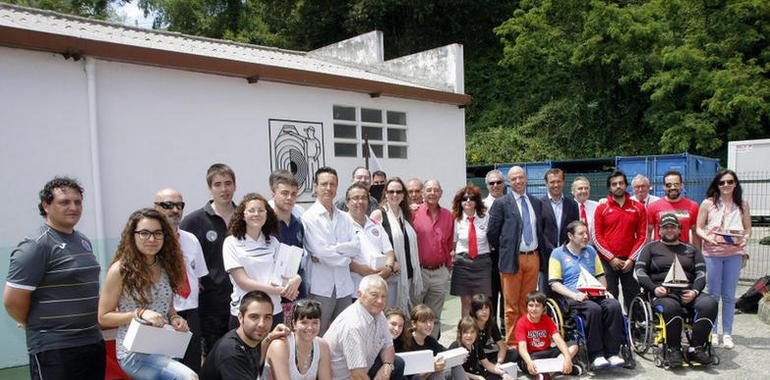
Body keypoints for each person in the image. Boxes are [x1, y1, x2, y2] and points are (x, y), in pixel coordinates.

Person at [4, 177, 105, 380]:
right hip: (55, 349)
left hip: (91, 342)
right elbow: (12, 301)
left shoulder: (83, 241)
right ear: (46, 206)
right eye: (64, 202)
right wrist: (35, 322)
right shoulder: (36, 246)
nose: (73, 207)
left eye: (77, 202)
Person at [98, 208, 196, 379]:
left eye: (158, 233)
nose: (151, 239)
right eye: (144, 233)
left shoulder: (167, 266)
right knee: (188, 377)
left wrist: (175, 319)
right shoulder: (120, 270)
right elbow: (104, 317)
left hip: (163, 348)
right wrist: (140, 313)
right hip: (133, 353)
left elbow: (168, 307)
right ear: (132, 235)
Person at [636, 214, 718, 366]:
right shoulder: (650, 248)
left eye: (673, 227)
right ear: (659, 230)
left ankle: (696, 348)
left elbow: (701, 274)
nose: (669, 230)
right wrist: (654, 289)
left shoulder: (691, 249)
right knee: (671, 307)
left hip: (689, 292)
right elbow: (639, 272)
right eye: (665, 227)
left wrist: (694, 292)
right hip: (663, 293)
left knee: (710, 304)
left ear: (679, 229)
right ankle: (674, 349)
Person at [548, 220, 625, 368]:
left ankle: (612, 353)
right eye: (581, 234)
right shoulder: (557, 254)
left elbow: (601, 276)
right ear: (570, 236)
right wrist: (574, 295)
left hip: (595, 292)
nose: (585, 237)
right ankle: (596, 354)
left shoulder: (591, 251)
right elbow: (554, 284)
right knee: (593, 309)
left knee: (614, 305)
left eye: (586, 233)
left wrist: (605, 291)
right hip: (574, 296)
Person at [180, 163, 237, 354]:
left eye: (228, 183)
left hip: (242, 301)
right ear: (210, 188)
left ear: (235, 186)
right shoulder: (194, 221)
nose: (224, 189)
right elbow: (179, 254)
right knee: (214, 356)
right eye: (218, 184)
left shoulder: (245, 217)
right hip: (211, 304)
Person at [223, 193, 301, 328]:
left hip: (273, 311)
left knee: (273, 349)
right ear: (243, 215)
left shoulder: (273, 242)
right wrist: (279, 291)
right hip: (246, 313)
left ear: (267, 214)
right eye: (251, 210)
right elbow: (243, 282)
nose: (256, 214)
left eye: (261, 210)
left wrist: (296, 279)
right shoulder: (231, 242)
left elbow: (287, 273)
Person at [487, 166, 545, 348]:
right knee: (511, 305)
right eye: (514, 179)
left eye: (521, 177)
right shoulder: (502, 203)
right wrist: (506, 248)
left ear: (526, 179)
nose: (518, 181)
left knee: (528, 303)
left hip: (533, 257)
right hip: (512, 259)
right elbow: (492, 233)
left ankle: (526, 338)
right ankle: (512, 343)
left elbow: (539, 230)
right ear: (509, 182)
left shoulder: (536, 202)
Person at [154, 188, 209, 373]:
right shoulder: (150, 242)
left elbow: (198, 276)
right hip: (162, 316)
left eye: (180, 205)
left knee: (191, 368)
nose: (175, 210)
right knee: (166, 370)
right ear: (155, 208)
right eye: (168, 205)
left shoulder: (191, 239)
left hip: (191, 313)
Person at [695, 169, 752, 349]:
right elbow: (698, 228)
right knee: (713, 295)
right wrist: (707, 238)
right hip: (713, 253)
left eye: (729, 182)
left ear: (735, 184)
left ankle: (727, 333)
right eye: (722, 182)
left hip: (734, 253)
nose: (726, 185)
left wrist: (745, 238)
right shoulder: (708, 203)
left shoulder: (742, 204)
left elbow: (748, 229)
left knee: (728, 295)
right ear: (717, 185)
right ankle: (712, 331)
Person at [302, 167, 360, 332]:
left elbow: (355, 247)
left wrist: (333, 251)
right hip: (322, 288)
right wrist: (346, 258)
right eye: (324, 184)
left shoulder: (344, 217)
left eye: (332, 184)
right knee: (317, 333)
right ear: (315, 186)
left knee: (343, 332)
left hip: (344, 287)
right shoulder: (309, 217)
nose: (328, 188)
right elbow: (320, 252)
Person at [323, 275, 406, 379]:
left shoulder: (379, 314)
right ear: (359, 295)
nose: (380, 301)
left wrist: (387, 365)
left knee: (397, 363)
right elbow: (358, 375)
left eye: (383, 296)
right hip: (344, 377)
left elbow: (388, 346)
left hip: (362, 370)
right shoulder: (353, 325)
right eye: (374, 295)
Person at [200, 290, 290, 380]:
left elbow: (256, 361)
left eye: (267, 317)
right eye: (254, 317)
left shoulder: (249, 338)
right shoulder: (231, 352)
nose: (262, 324)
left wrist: (270, 337)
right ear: (240, 318)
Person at [593, 171, 646, 311]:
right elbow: (597, 237)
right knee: (610, 295)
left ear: (626, 185)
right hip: (608, 261)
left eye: (621, 183)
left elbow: (642, 236)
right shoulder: (601, 208)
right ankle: (613, 327)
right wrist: (611, 258)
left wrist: (631, 259)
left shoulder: (638, 208)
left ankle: (635, 326)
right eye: (614, 184)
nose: (618, 186)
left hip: (629, 261)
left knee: (633, 295)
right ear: (610, 188)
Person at [371, 178, 423, 313]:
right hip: (391, 277)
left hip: (409, 274)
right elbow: (370, 246)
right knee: (390, 315)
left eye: (398, 191)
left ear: (403, 194)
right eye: (391, 191)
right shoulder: (378, 214)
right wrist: (391, 262)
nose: (395, 195)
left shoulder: (405, 214)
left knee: (404, 316)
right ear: (386, 194)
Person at [412, 179, 454, 338]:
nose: (432, 193)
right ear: (423, 193)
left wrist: (447, 268)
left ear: (441, 193)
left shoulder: (448, 216)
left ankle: (433, 348)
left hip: (440, 272)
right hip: (420, 272)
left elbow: (450, 244)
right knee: (416, 314)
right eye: (428, 190)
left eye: (436, 190)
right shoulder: (414, 214)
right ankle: (414, 348)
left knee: (434, 316)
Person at [269, 170, 309, 317]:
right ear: (273, 193)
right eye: (284, 193)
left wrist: (297, 278)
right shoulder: (266, 225)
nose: (289, 198)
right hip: (275, 295)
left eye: (293, 193)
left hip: (298, 291)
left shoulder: (298, 224)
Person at [345, 184, 397, 296]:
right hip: (354, 289)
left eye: (363, 198)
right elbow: (338, 256)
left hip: (378, 288)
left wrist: (388, 268)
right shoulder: (342, 225)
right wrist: (359, 269)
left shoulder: (376, 224)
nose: (360, 201)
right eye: (355, 198)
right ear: (347, 203)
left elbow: (389, 252)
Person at [515, 292, 580, 379]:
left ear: (544, 308)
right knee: (529, 363)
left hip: (546, 352)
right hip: (531, 355)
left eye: (537, 306)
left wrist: (567, 358)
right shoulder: (521, 323)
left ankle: (553, 369)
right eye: (530, 305)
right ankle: (559, 368)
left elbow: (558, 340)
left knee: (573, 345)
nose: (533, 309)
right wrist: (529, 362)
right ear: (526, 307)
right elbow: (522, 348)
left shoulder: (547, 320)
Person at [451, 185, 493, 317]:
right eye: (465, 198)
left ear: (477, 201)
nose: (468, 201)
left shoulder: (486, 217)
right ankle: (465, 333)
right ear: (460, 202)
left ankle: (481, 334)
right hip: (463, 264)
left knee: (480, 302)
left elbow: (492, 240)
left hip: (482, 263)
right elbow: (453, 243)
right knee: (466, 301)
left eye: (472, 198)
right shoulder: (455, 220)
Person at [264, 299, 332, 379]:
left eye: (315, 323)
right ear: (294, 324)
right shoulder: (280, 345)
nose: (310, 328)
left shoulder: (323, 346)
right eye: (304, 322)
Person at [397, 304, 468, 380]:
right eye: (424, 321)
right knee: (436, 372)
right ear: (414, 324)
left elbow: (445, 352)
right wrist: (431, 368)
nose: (429, 325)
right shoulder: (406, 342)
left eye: (431, 321)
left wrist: (459, 357)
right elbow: (410, 376)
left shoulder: (430, 340)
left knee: (457, 365)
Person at [540, 168, 580, 292]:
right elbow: (539, 231)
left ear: (563, 182)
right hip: (547, 257)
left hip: (567, 256)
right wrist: (552, 250)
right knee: (546, 294)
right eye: (552, 182)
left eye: (559, 181)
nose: (556, 185)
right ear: (546, 184)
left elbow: (575, 229)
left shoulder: (572, 205)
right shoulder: (538, 204)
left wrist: (565, 249)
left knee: (568, 293)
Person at [449, 317, 514, 380]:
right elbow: (453, 372)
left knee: (500, 376)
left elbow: (487, 364)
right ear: (460, 333)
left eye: (472, 332)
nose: (469, 335)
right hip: (460, 377)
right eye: (466, 332)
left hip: (474, 374)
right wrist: (477, 377)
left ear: (476, 333)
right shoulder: (455, 347)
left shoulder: (476, 344)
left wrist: (503, 373)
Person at [647, 170, 701, 246]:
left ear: (681, 185)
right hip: (660, 253)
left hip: (684, 253)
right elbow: (648, 233)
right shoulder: (653, 206)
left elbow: (695, 233)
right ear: (664, 187)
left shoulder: (693, 206)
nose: (673, 187)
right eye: (668, 185)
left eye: (676, 184)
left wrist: (697, 254)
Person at [482, 170, 506, 326]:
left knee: (507, 294)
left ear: (504, 184)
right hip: (488, 256)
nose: (495, 185)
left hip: (507, 255)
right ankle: (491, 331)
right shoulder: (481, 206)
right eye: (492, 183)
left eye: (498, 182)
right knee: (490, 295)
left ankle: (505, 327)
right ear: (487, 185)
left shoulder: (511, 202)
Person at [469, 294, 517, 364]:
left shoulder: (491, 323)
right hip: (471, 358)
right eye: (480, 309)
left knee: (514, 353)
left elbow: (502, 346)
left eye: (486, 308)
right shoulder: (470, 325)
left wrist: (499, 363)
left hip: (483, 357)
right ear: (474, 311)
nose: (484, 312)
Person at [571, 176, 599, 244]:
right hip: (574, 247)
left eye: (586, 188)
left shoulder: (597, 206)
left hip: (593, 248)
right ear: (573, 191)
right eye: (580, 188)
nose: (584, 191)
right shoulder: (568, 207)